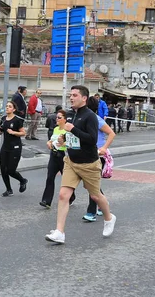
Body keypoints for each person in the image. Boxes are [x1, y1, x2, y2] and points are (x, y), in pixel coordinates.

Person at [45, 85, 116, 244]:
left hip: (89, 163)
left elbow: (91, 139)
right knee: (63, 195)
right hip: (71, 161)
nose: (71, 98)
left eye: (75, 95)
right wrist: (63, 139)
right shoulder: (69, 115)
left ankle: (109, 218)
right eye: (70, 95)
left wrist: (73, 129)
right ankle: (59, 232)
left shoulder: (90, 116)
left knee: (95, 196)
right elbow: (69, 134)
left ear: (84, 98)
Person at [83, 96, 116, 222]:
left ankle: (91, 212)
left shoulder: (96, 119)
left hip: (98, 155)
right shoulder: (83, 118)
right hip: (86, 154)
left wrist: (104, 148)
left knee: (92, 184)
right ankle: (103, 205)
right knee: (90, 184)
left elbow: (112, 133)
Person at [0, 101, 28, 197]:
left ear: (14, 109)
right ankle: (8, 189)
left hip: (15, 147)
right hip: (5, 147)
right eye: (6, 106)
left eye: (9, 106)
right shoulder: (3, 119)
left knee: (11, 170)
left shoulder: (17, 120)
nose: (7, 108)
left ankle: (22, 180)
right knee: (3, 169)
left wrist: (13, 132)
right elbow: (1, 132)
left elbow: (23, 133)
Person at [40, 109, 76, 208]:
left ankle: (71, 197)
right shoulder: (56, 129)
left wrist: (63, 143)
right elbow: (51, 140)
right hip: (54, 154)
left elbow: (71, 144)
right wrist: (49, 143)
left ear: (65, 120)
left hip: (63, 155)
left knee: (66, 179)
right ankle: (46, 201)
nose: (57, 119)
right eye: (57, 117)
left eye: (59, 117)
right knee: (50, 177)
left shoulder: (68, 130)